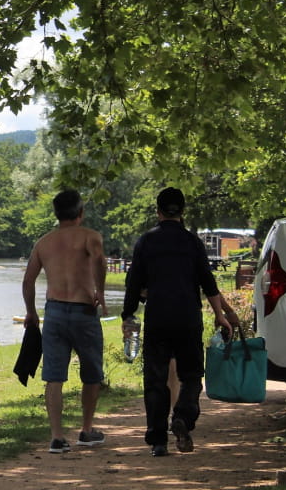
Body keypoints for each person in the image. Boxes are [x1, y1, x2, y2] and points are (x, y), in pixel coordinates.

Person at [121, 187, 236, 457]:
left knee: (155, 379)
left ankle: (158, 440)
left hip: (158, 317)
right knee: (192, 375)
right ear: (182, 212)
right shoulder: (192, 243)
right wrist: (220, 315)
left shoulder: (146, 242)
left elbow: (133, 282)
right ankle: (183, 416)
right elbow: (208, 282)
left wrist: (128, 314)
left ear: (158, 211)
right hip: (187, 317)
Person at [21, 189, 107, 453]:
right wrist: (100, 292)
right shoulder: (90, 237)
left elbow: (28, 280)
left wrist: (31, 312)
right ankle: (86, 429)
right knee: (91, 374)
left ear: (57, 214)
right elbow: (100, 261)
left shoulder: (43, 243)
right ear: (80, 213)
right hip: (83, 311)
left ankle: (57, 437)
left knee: (54, 377)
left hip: (54, 312)